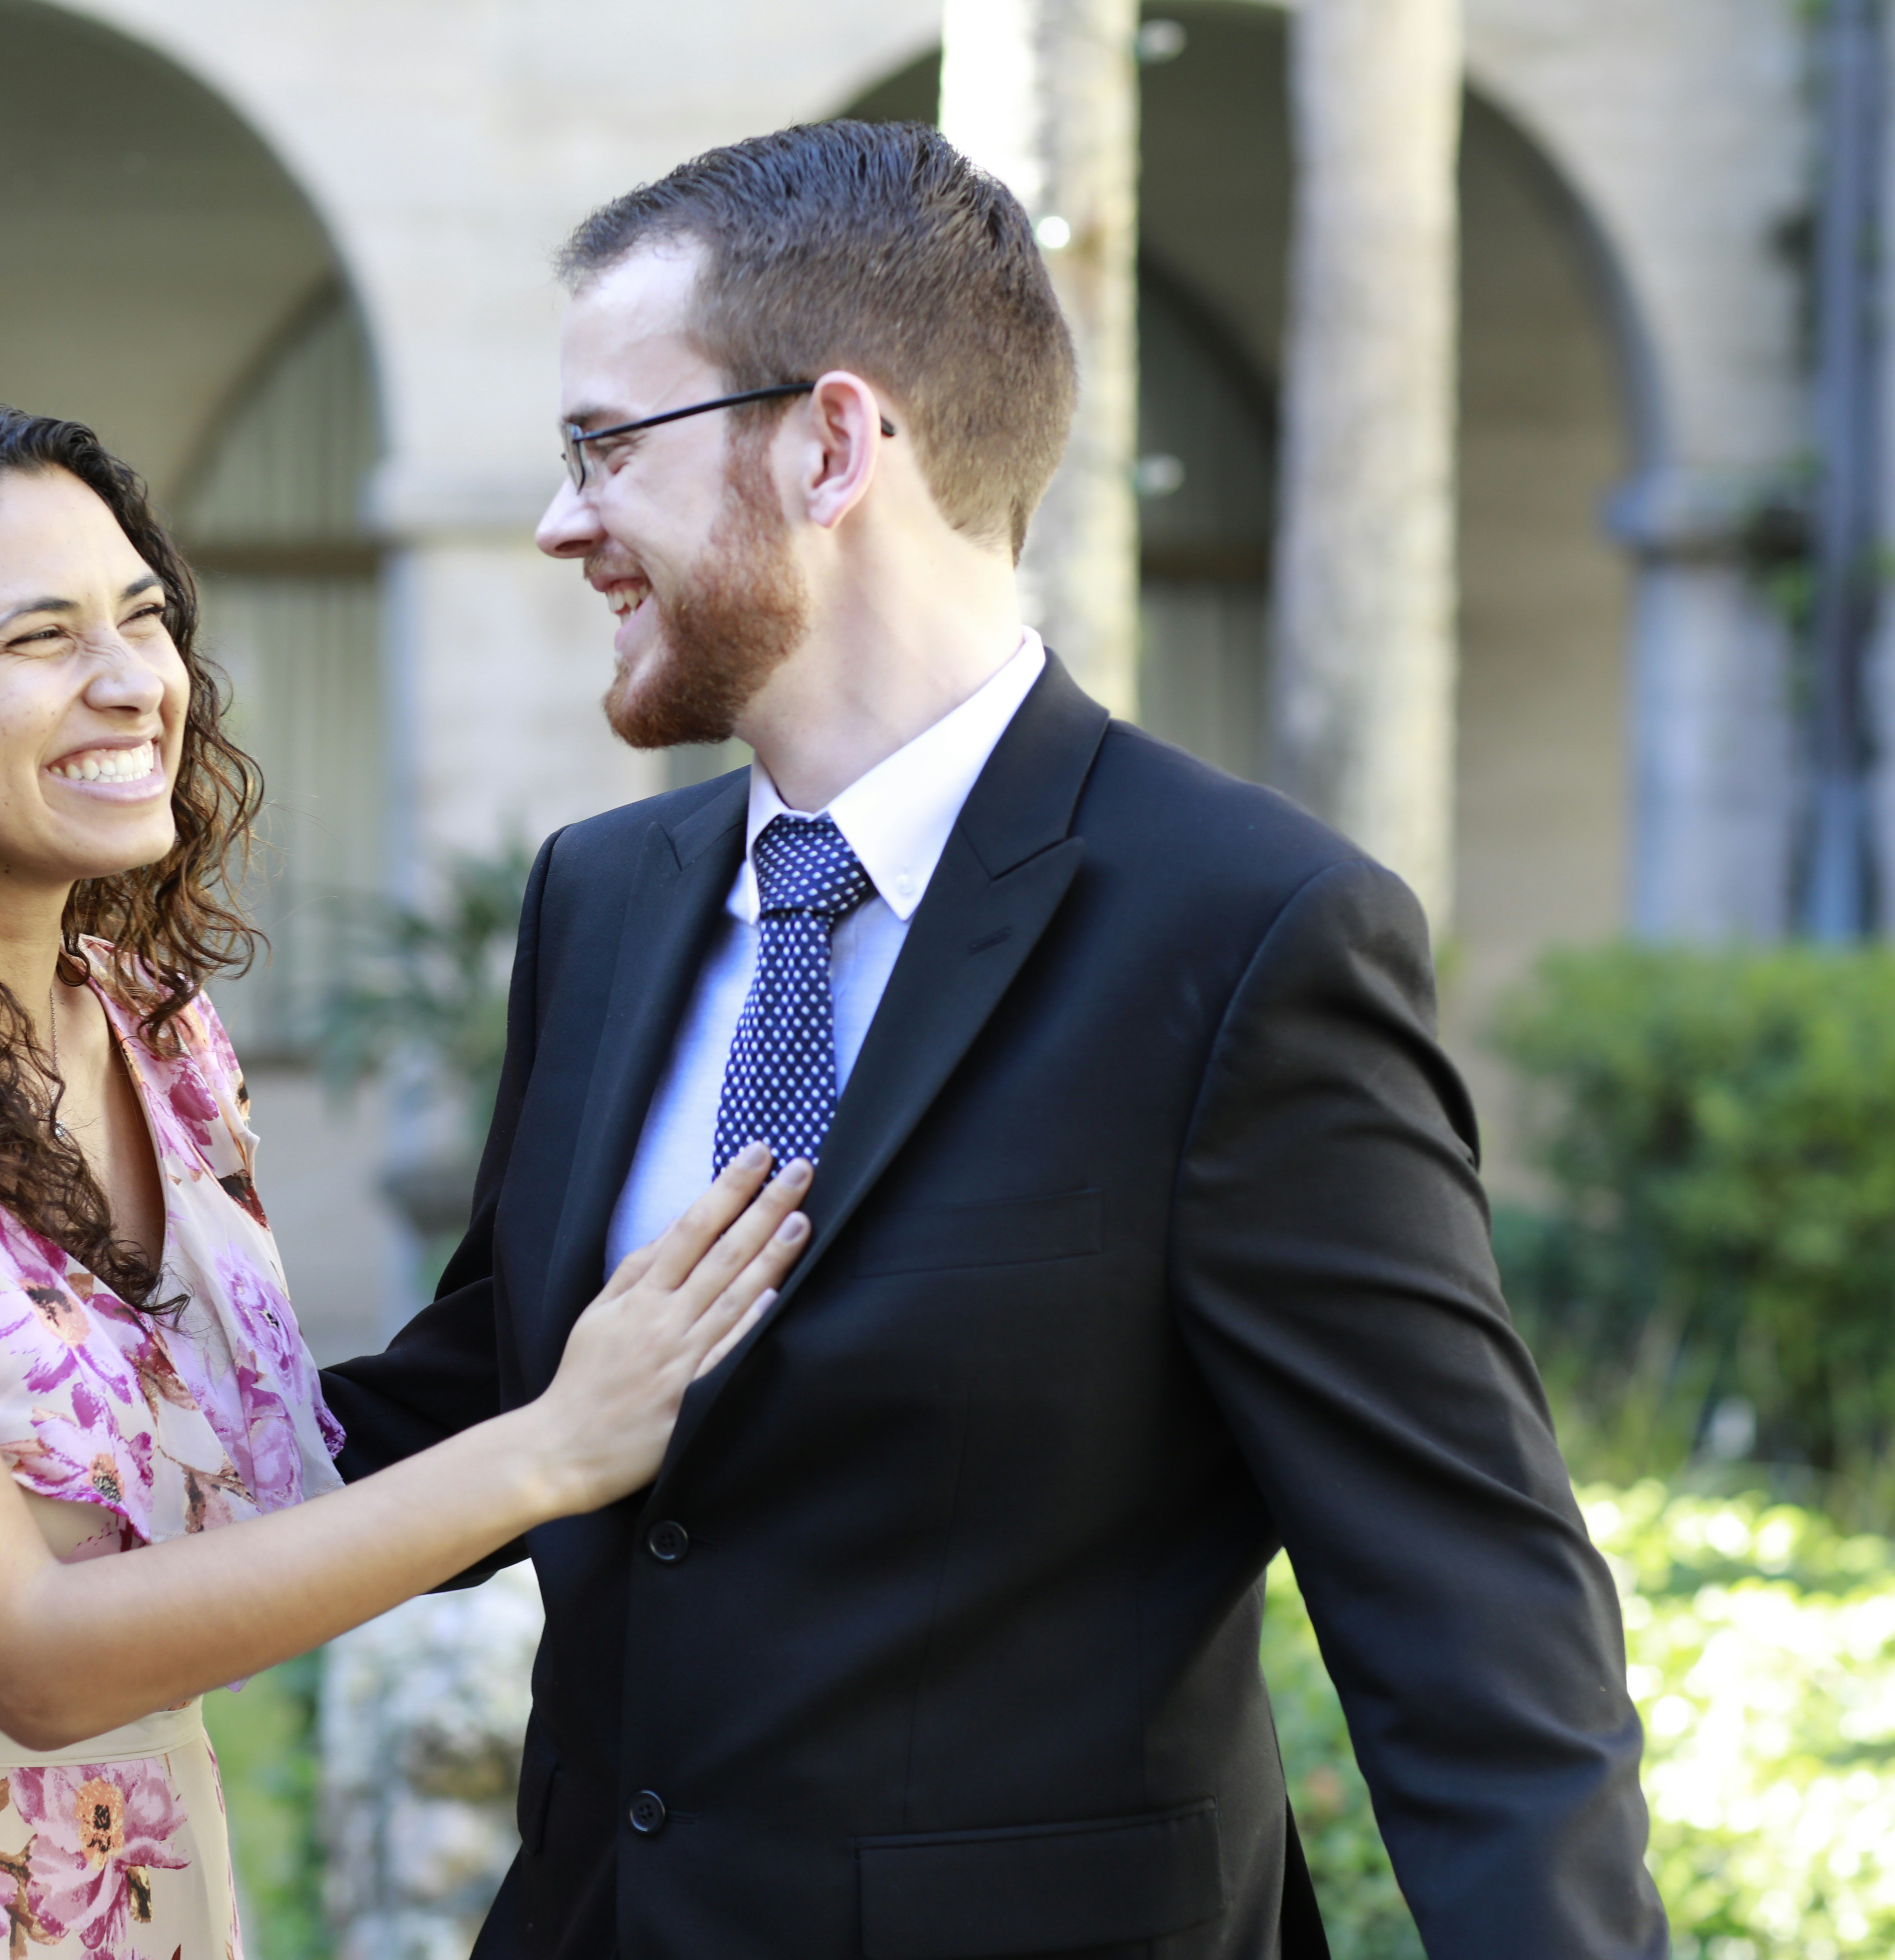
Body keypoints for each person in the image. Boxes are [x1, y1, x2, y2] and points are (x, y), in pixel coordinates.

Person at [318, 121, 1667, 1959]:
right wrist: (30, 1454)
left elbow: (1465, 1620)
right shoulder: (601, 896)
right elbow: (496, 1390)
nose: (561, 521)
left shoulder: (1244, 933)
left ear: (829, 444)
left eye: (603, 447)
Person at [0, 388, 813, 1960]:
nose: (133, 682)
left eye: (142, 618)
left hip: (159, 1881)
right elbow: (31, 1650)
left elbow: (272, 1476)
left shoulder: (152, 1031)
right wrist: (550, 1449)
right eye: (38, 637)